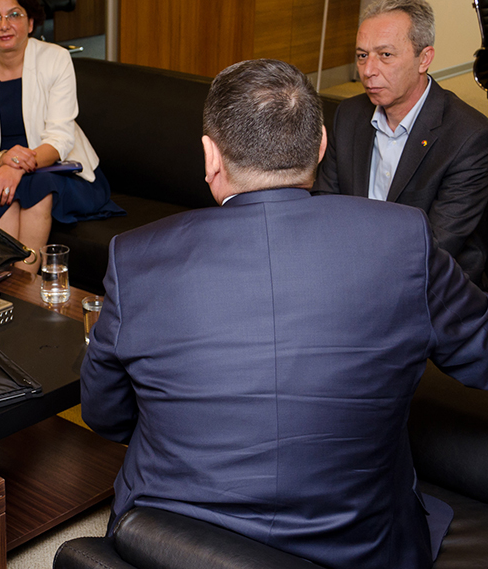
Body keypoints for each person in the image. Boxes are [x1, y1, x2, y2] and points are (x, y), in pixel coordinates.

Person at [80, 58, 488, 569]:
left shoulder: (135, 257)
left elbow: (105, 414)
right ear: (321, 146)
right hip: (362, 546)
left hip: (176, 540)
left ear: (210, 156)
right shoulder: (403, 237)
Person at [0, 0, 122, 271]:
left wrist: (13, 166)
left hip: (53, 165)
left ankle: (24, 286)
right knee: (2, 192)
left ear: (30, 23)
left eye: (14, 15)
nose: (4, 24)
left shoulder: (55, 59)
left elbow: (60, 138)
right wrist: (2, 161)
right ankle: (9, 286)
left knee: (36, 187)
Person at [313, 0, 488, 285]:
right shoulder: (348, 114)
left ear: (424, 59)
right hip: (350, 270)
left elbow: (438, 245)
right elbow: (324, 205)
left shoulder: (469, 137)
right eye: (362, 55)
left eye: (385, 55)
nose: (368, 71)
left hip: (429, 286)